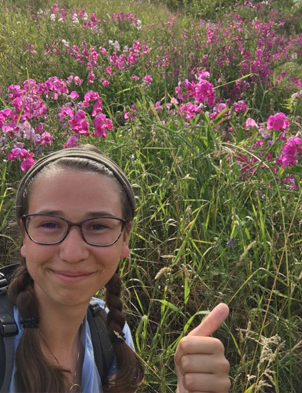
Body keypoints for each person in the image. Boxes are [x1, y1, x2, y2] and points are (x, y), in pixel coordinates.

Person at [6, 145, 230, 393]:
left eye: (98, 226)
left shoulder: (109, 331)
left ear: (125, 238)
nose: (72, 253)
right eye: (49, 224)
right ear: (24, 235)